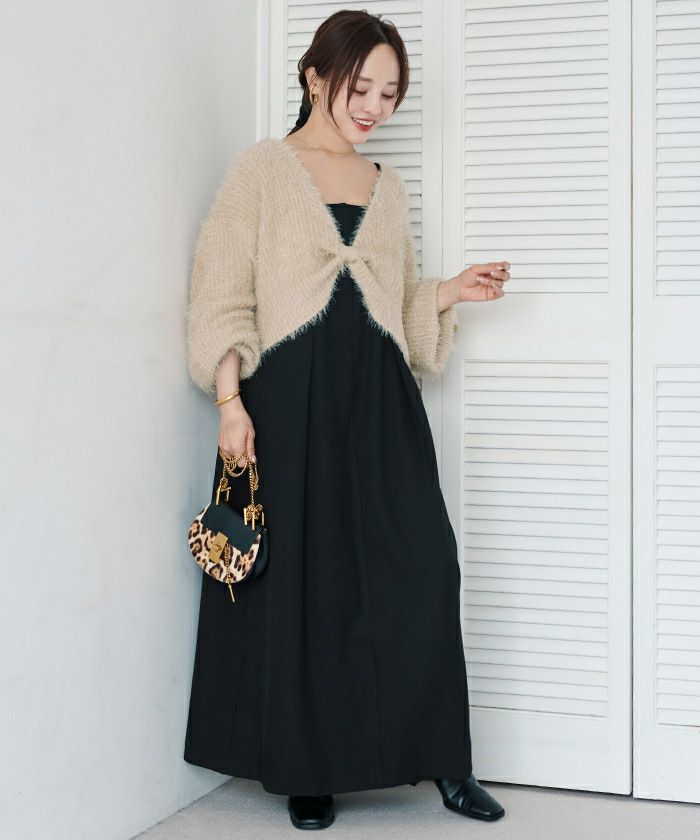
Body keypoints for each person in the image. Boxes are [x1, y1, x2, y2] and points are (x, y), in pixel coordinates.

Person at [184, 8, 510, 831]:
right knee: (306, 585)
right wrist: (229, 403)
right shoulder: (261, 171)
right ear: (314, 76)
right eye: (360, 86)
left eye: (390, 93)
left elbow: (393, 304)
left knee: (423, 569)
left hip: (380, 404)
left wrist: (448, 291)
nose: (374, 106)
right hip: (288, 404)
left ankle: (447, 762)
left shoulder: (385, 187)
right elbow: (221, 295)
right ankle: (310, 771)